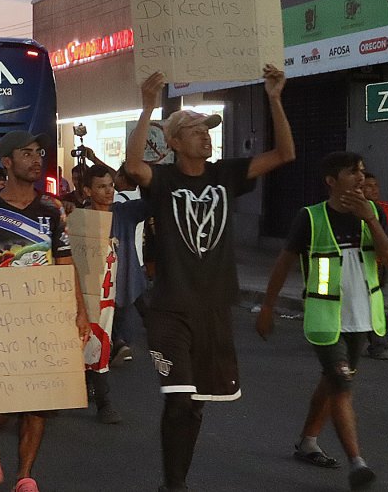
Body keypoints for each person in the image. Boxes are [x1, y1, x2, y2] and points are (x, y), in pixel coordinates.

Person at [124, 67, 295, 492]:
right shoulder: (164, 180)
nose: (205, 135)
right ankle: (175, 485)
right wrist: (147, 107)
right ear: (174, 142)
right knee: (180, 398)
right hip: (170, 309)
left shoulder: (225, 175)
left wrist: (274, 99)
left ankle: (174, 482)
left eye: (208, 130)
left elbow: (284, 154)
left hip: (214, 309)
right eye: (196, 130)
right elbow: (133, 166)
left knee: (195, 405)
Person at [256, 152, 388, 490]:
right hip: (325, 320)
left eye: (362, 171)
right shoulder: (310, 217)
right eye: (352, 172)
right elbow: (284, 262)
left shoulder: (374, 213)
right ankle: (357, 463)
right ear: (332, 181)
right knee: (342, 386)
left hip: (363, 319)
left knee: (332, 382)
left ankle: (308, 441)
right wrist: (267, 307)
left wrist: (371, 220)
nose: (361, 178)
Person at [0, 131, 89, 490]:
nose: (36, 159)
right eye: (26, 153)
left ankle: (25, 476)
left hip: (45, 314)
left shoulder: (52, 208)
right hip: (0, 318)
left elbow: (66, 262)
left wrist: (80, 310)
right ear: (7, 162)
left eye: (38, 152)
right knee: (3, 403)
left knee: (39, 399)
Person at [78, 163, 147, 424]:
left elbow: (153, 201)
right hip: (86, 297)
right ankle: (96, 397)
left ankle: (102, 400)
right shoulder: (77, 219)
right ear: (87, 190)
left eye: (110, 185)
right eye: (101, 187)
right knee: (90, 343)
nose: (109, 191)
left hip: (118, 292)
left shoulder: (125, 213)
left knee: (101, 344)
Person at [361, 171, 388, 360]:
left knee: (373, 302)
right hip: (357, 265)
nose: (374, 189)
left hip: (378, 265)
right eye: (369, 186)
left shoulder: (386, 209)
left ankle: (376, 343)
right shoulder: (351, 209)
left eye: (375, 185)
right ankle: (377, 344)